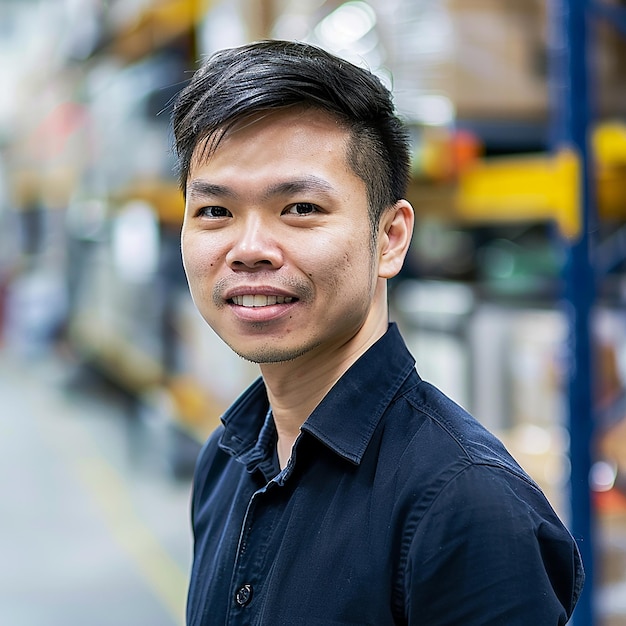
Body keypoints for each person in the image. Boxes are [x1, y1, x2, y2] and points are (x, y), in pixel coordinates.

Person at [171, 40, 584, 625]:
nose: (250, 250)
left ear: (389, 237)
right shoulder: (229, 460)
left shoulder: (465, 506)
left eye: (301, 208)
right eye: (215, 212)